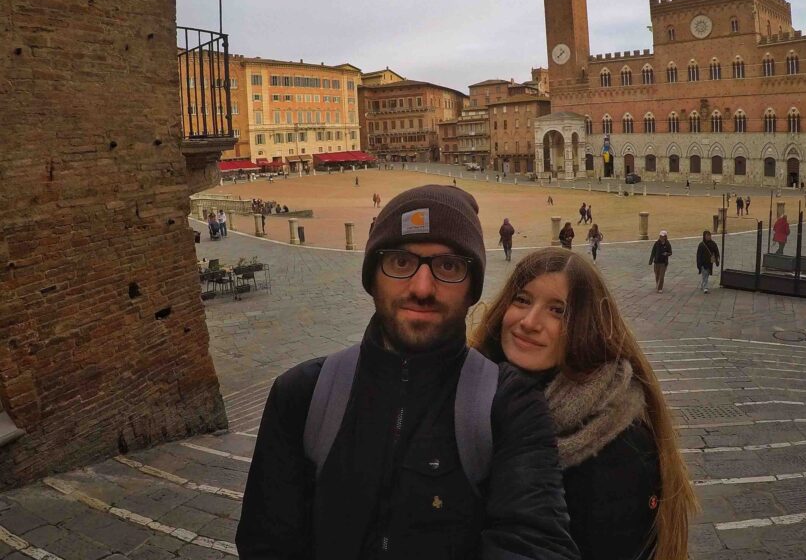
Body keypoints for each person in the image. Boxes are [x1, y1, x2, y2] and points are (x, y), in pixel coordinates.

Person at [237, 186, 579, 559]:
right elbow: (267, 544)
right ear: (372, 279)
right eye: (400, 262)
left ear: (472, 289)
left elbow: (535, 543)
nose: (421, 288)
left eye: (448, 266)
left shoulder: (510, 404)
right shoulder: (301, 396)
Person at [470, 248, 697, 560]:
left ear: (585, 326)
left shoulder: (618, 440)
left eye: (558, 311)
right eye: (522, 300)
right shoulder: (470, 390)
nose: (530, 321)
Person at [696, 230, 720, 294]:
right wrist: (698, 264)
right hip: (703, 263)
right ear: (704, 236)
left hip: (710, 262)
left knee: (707, 274)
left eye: (709, 235)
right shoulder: (701, 245)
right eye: (707, 236)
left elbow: (716, 252)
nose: (708, 237)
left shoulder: (713, 244)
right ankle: (705, 287)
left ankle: (703, 284)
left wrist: (717, 260)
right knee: (705, 274)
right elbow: (698, 255)